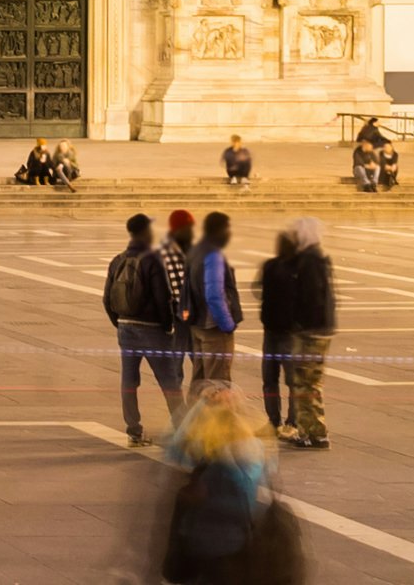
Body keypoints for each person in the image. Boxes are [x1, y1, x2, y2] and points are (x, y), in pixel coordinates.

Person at [141, 390, 302, 585]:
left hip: (203, 552)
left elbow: (175, 449)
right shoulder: (254, 454)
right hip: (240, 547)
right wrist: (239, 406)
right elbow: (267, 444)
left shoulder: (206, 461)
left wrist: (201, 407)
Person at [104, 214, 186, 444]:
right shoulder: (152, 260)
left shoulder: (118, 260)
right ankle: (183, 429)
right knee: (169, 380)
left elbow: (106, 298)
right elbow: (163, 298)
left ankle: (133, 430)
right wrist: (167, 325)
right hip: (151, 329)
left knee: (129, 380)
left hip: (125, 328)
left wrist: (119, 322)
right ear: (144, 232)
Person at [258, 218, 334, 449]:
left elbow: (310, 299)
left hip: (310, 332)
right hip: (319, 329)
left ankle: (315, 433)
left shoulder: (309, 261)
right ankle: (310, 431)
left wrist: (300, 324)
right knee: (306, 383)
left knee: (306, 384)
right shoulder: (318, 257)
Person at [191, 212, 245, 398]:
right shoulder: (213, 255)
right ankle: (216, 427)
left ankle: (194, 424)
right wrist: (227, 324)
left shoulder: (196, 251)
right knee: (218, 385)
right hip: (214, 326)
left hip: (198, 324)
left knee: (199, 381)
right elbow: (214, 294)